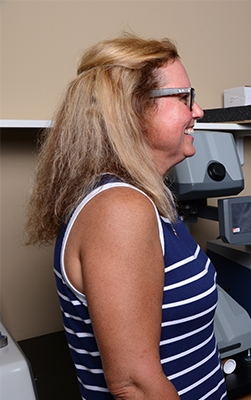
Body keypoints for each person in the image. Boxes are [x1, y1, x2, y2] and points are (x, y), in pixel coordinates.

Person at [25, 35, 227, 400]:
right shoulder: (120, 209)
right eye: (185, 98)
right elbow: (136, 386)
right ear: (134, 108)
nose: (197, 111)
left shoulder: (145, 199)